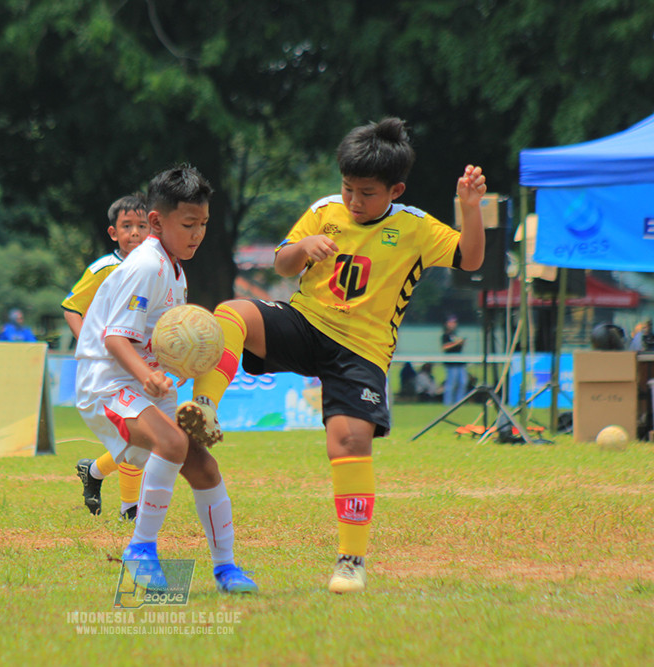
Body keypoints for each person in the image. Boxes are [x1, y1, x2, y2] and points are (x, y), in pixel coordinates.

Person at [179, 118, 487, 593]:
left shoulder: (416, 227)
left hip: (360, 352)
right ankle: (204, 407)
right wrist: (303, 246)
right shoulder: (324, 210)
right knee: (232, 312)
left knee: (348, 443)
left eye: (366, 193)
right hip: (304, 324)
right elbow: (283, 263)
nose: (353, 201)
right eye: (347, 188)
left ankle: (350, 561)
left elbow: (471, 258)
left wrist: (470, 208)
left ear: (395, 190)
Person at [75, 165, 257, 594]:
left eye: (203, 224)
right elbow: (114, 338)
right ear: (157, 221)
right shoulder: (147, 265)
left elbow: (161, 342)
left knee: (204, 467)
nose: (198, 234)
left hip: (142, 384)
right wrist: (148, 376)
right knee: (172, 444)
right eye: (188, 224)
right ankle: (140, 549)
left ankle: (227, 569)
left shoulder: (174, 267)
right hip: (107, 383)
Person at [63, 193, 149, 520]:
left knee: (140, 437)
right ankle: (130, 509)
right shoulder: (104, 268)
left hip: (141, 364)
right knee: (135, 433)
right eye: (127, 226)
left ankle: (95, 472)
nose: (135, 232)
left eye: (142, 226)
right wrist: (91, 345)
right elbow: (72, 307)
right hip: (110, 367)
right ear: (113, 232)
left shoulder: (156, 268)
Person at [441, 315, 466, 404]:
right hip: (451, 364)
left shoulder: (455, 334)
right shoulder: (445, 335)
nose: (453, 324)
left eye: (454, 322)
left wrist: (461, 343)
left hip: (460, 363)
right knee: (451, 384)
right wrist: (456, 343)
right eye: (451, 322)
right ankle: (448, 402)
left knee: (463, 383)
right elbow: (445, 347)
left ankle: (459, 402)